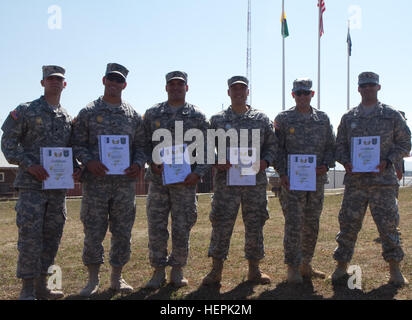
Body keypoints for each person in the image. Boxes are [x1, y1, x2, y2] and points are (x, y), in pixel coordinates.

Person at [1, 65, 78, 300]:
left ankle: (42, 286)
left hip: (57, 189)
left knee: (52, 236)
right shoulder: (26, 110)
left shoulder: (66, 117)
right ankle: (26, 289)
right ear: (42, 83)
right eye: (50, 78)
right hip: (32, 186)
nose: (55, 82)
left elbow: (69, 151)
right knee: (30, 237)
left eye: (59, 79)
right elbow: (8, 144)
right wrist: (29, 164)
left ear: (65, 84)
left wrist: (76, 168)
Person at [71, 63, 147, 296]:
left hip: (124, 185)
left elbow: (142, 145)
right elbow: (76, 143)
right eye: (110, 79)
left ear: (124, 84)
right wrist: (88, 162)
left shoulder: (133, 115)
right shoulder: (88, 112)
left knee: (123, 230)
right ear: (103, 81)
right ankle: (92, 280)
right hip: (96, 183)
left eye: (119, 80)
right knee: (93, 230)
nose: (114, 84)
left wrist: (137, 164)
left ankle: (117, 277)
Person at [331, 72, 411, 286]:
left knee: (388, 226)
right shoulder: (349, 118)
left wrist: (388, 161)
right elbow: (339, 146)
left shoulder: (392, 115)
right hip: (355, 183)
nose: (367, 89)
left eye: (371, 85)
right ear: (358, 89)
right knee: (347, 224)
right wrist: (346, 162)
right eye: (364, 86)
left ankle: (394, 269)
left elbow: (405, 143)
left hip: (383, 182)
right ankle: (341, 266)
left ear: (378, 87)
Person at [202, 76, 277, 286]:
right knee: (221, 224)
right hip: (227, 184)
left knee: (255, 224)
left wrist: (266, 161)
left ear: (247, 92)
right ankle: (216, 271)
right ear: (228, 93)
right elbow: (206, 147)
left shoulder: (261, 119)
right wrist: (217, 161)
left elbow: (272, 145)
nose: (238, 93)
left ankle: (254, 269)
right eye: (234, 89)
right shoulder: (216, 120)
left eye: (241, 89)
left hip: (255, 183)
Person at [143, 71, 209, 289]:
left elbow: (207, 149)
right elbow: (142, 145)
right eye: (171, 84)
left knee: (182, 226)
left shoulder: (197, 116)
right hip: (158, 181)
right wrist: (152, 162)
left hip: (185, 182)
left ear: (187, 88)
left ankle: (178, 269)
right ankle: (158, 270)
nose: (176, 88)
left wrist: (198, 173)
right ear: (166, 88)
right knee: (157, 226)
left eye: (180, 84)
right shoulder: (152, 114)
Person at [274, 79, 336, 284]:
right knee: (293, 224)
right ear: (293, 95)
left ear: (312, 94)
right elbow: (278, 150)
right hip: (292, 183)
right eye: (298, 93)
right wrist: (282, 173)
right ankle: (292, 266)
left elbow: (331, 147)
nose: (302, 96)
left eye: (306, 93)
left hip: (316, 182)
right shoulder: (283, 119)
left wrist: (326, 166)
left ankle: (306, 263)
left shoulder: (323, 119)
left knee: (311, 223)